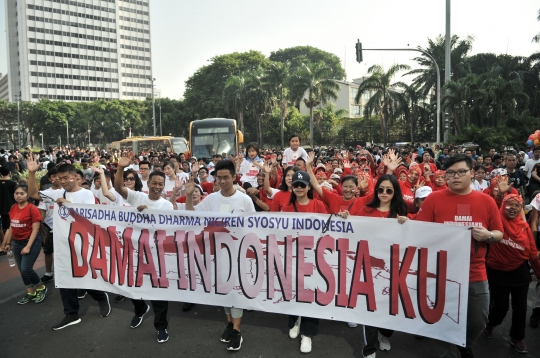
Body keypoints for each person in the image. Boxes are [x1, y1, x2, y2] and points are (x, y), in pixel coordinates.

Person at [415, 154, 504, 358]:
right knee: (441, 321)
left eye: (461, 172)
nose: (456, 176)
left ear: (471, 173)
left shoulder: (487, 201)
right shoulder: (433, 200)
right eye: (451, 173)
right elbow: (419, 232)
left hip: (475, 273)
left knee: (478, 320)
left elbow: (499, 234)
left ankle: (464, 343)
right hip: (439, 273)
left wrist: (488, 235)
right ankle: (450, 352)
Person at [26, 159, 112, 330]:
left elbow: (89, 216)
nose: (63, 181)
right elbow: (33, 194)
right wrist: (31, 173)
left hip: (83, 243)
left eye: (66, 177)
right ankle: (71, 314)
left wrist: (68, 204)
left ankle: (101, 297)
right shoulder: (55, 194)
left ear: (75, 177)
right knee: (65, 277)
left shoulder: (86, 194)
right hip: (62, 244)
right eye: (60, 178)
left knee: (84, 276)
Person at [184, 159, 256, 351]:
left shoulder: (244, 200)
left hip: (238, 254)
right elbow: (191, 216)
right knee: (224, 293)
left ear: (234, 177)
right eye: (219, 177)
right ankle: (230, 324)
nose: (222, 181)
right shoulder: (211, 199)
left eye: (226, 177)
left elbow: (255, 227)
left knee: (235, 294)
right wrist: (189, 196)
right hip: (216, 255)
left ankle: (237, 331)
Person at [114, 155, 174, 343]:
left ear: (164, 186)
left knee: (158, 292)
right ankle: (140, 310)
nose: (157, 187)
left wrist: (148, 216)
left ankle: (161, 326)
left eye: (160, 184)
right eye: (154, 183)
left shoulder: (167, 206)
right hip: (134, 251)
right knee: (131, 286)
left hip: (156, 254)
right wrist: (120, 168)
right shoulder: (137, 196)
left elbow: (169, 229)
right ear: (148, 184)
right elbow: (118, 188)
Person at [482, 194, 540, 354]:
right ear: (503, 205)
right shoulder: (494, 222)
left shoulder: (524, 227)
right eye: (510, 204)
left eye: (517, 205)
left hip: (520, 273)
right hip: (497, 272)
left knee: (520, 308)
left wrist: (539, 272)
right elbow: (490, 205)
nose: (513, 208)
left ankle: (517, 338)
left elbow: (532, 252)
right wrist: (500, 194)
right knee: (501, 307)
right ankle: (490, 324)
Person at [277, 170, 327, 353]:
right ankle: (295, 319)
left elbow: (330, 228)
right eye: (295, 185)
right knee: (293, 291)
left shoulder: (318, 205)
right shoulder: (287, 208)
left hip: (314, 258)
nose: (298, 188)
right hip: (292, 256)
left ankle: (307, 334)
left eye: (302, 185)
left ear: (308, 187)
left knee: (311, 295)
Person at [0, 184, 47, 304]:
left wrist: (28, 246)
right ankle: (30, 292)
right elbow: (11, 227)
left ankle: (41, 287)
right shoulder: (13, 208)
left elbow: (35, 230)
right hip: (16, 243)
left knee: (26, 269)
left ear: (27, 195)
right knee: (22, 270)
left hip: (31, 242)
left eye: (22, 193)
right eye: (16, 193)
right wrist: (8, 243)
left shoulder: (32, 209)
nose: (19, 196)